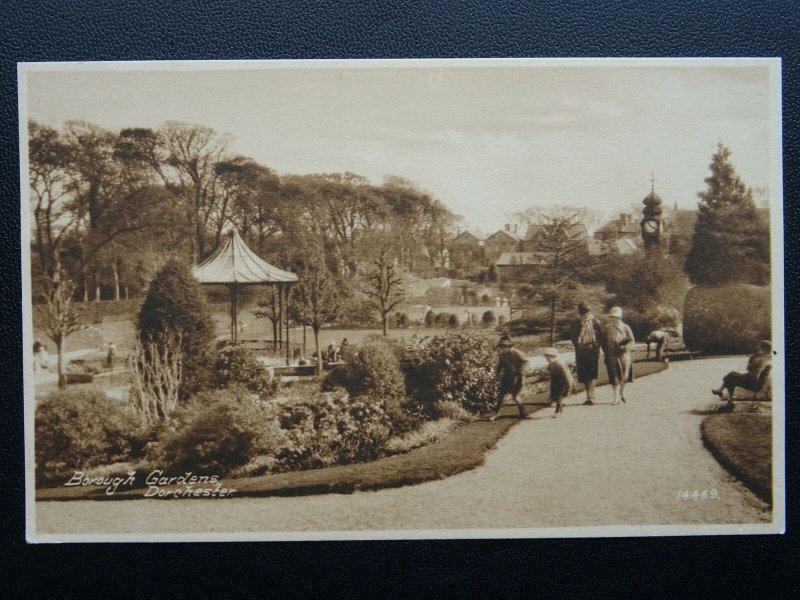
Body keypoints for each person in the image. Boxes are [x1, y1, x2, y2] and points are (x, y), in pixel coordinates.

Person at [712, 340, 772, 411]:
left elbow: (749, 369)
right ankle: (723, 394)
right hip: (758, 383)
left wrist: (751, 359)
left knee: (731, 376)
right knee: (731, 377)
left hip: (752, 383)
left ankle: (728, 399)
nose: (758, 350)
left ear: (763, 349)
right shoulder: (769, 358)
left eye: (760, 348)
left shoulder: (757, 358)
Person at [569, 302, 603, 405]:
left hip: (592, 350)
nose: (586, 314)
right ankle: (588, 396)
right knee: (584, 374)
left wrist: (596, 345)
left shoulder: (595, 322)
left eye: (587, 311)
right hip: (581, 350)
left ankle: (592, 397)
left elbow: (600, 336)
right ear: (580, 312)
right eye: (583, 312)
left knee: (592, 373)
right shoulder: (576, 322)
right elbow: (573, 336)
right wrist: (577, 345)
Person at [489, 334, 528, 421]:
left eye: (505, 347)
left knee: (515, 396)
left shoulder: (518, 353)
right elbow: (500, 366)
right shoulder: (502, 355)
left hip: (518, 377)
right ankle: (497, 414)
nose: (503, 349)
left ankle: (523, 413)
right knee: (500, 396)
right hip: (507, 377)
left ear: (510, 346)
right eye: (502, 347)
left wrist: (521, 373)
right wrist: (497, 374)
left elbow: (526, 362)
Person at [601, 306, 635, 405]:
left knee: (624, 376)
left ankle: (622, 392)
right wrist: (606, 352)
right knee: (613, 376)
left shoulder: (625, 327)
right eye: (612, 317)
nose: (614, 319)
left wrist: (626, 347)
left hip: (623, 355)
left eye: (616, 317)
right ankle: (616, 396)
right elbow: (603, 342)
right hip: (612, 355)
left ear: (620, 317)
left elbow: (632, 340)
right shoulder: (607, 328)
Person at [543, 347, 574, 418]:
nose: (546, 359)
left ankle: (557, 411)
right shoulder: (551, 364)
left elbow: (566, 376)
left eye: (547, 358)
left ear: (551, 357)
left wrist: (568, 386)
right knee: (556, 397)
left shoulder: (559, 364)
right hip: (555, 383)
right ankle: (560, 409)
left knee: (558, 397)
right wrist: (546, 373)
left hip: (562, 383)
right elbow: (550, 372)